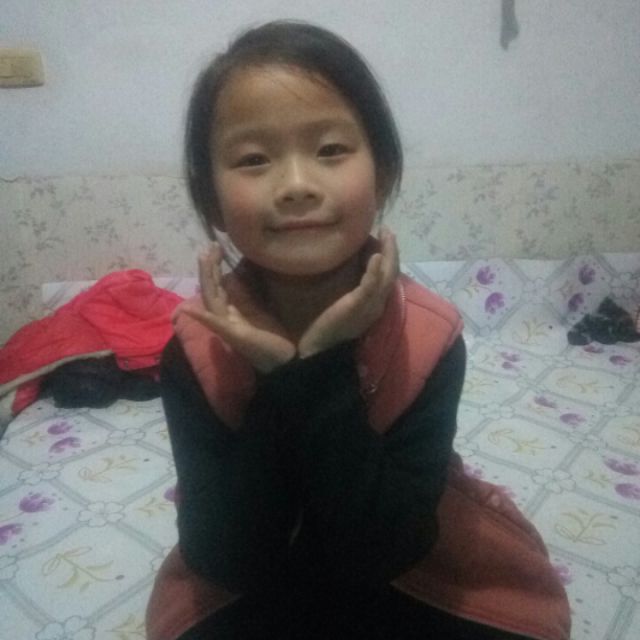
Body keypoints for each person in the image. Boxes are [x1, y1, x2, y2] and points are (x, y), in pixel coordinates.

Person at [146, 20, 570, 640]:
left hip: (406, 563)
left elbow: (384, 549)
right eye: (254, 159)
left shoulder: (428, 337)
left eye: (330, 150)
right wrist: (280, 378)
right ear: (211, 200)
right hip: (254, 578)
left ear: (384, 173)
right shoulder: (195, 351)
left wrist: (318, 368)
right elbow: (228, 558)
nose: (296, 186)